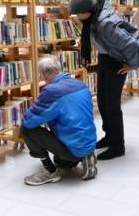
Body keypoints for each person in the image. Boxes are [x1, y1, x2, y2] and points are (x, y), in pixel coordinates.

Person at [69, 0, 139, 160]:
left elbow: (129, 44)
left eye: (79, 14)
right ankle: (109, 137)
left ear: (87, 11)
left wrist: (131, 64)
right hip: (105, 58)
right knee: (102, 102)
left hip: (116, 61)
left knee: (112, 106)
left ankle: (117, 145)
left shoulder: (105, 23)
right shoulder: (94, 15)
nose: (77, 17)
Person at [21, 56, 97, 186]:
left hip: (71, 149)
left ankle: (50, 171)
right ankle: (86, 155)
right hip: (89, 142)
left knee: (26, 129)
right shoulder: (80, 84)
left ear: (44, 75)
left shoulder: (52, 91)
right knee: (61, 160)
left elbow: (29, 121)